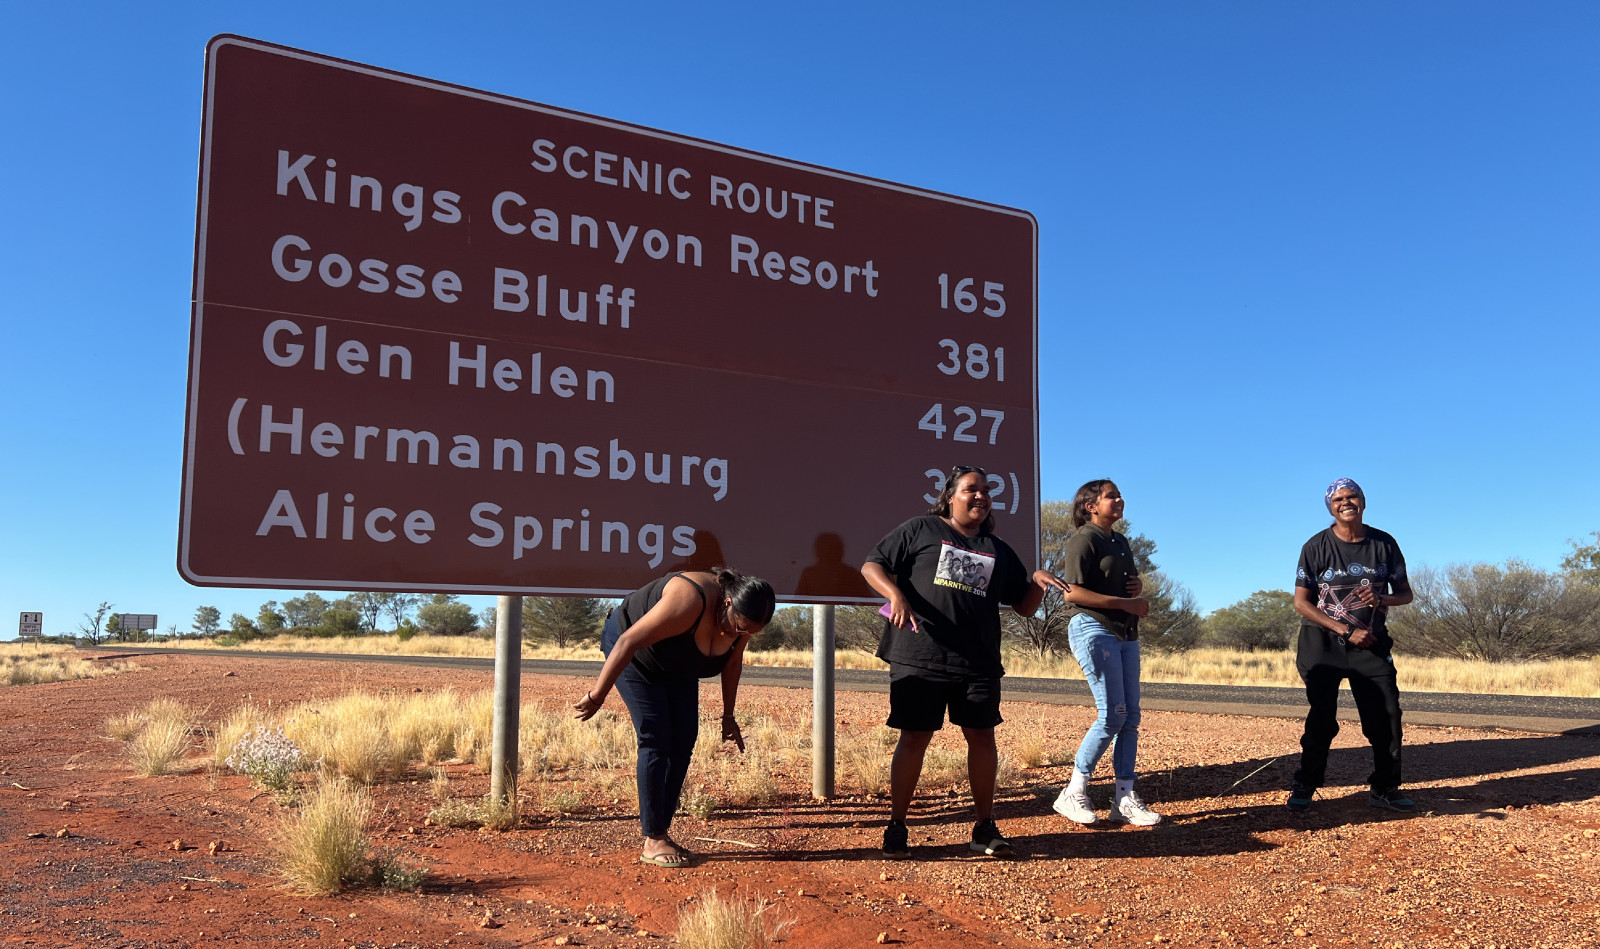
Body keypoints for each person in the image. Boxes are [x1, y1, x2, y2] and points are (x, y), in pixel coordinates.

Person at [861, 465, 1066, 859]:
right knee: (915, 738)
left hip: (978, 661)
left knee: (982, 737)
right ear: (950, 496)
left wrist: (1038, 583)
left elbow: (1023, 606)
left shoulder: (998, 549)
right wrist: (896, 595)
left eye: (986, 491)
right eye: (971, 489)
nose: (981, 496)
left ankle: (984, 827)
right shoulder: (920, 530)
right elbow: (872, 565)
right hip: (920, 655)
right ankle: (897, 826)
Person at [573, 567, 775, 866]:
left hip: (678, 661)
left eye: (749, 632)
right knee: (656, 737)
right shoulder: (688, 600)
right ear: (728, 602)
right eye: (740, 627)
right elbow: (627, 641)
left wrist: (728, 715)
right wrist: (597, 695)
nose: (741, 634)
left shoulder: (744, 621)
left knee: (684, 739)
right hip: (635, 655)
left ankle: (661, 831)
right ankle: (653, 839)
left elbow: (733, 663)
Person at [1287, 478, 1415, 813]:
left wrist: (1381, 597)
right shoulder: (1316, 546)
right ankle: (1306, 783)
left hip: (1370, 642)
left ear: (1363, 501)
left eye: (1352, 496)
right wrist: (1344, 631)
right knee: (1322, 717)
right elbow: (1302, 603)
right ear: (1330, 506)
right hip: (1322, 643)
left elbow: (1406, 593)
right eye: (1338, 498)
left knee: (1386, 716)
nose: (1346, 502)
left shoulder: (1383, 543)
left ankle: (1385, 787)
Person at [1051, 479, 1162, 827]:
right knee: (1112, 715)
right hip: (1093, 628)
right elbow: (1072, 594)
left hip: (1126, 633)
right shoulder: (1084, 539)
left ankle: (1124, 798)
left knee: (1130, 717)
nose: (1119, 500)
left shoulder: (1120, 541)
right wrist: (1127, 601)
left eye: (1119, 495)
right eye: (1111, 496)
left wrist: (1136, 587)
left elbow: (1119, 581)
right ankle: (1073, 790)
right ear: (1091, 506)